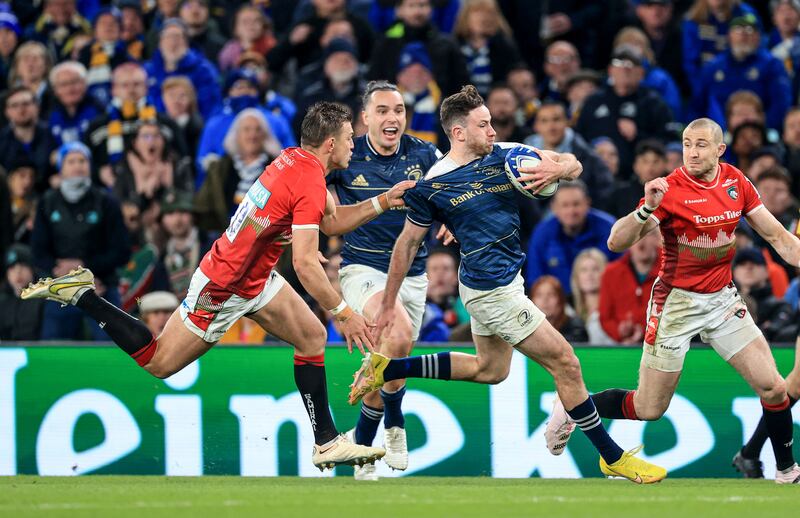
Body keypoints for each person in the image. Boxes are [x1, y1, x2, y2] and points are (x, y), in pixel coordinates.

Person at [22, 102, 411, 470]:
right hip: (224, 285)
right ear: (330, 143)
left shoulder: (294, 159)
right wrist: (343, 313)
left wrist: (383, 201)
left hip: (255, 277)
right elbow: (306, 265)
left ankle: (326, 442)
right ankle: (84, 295)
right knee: (159, 362)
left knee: (311, 336)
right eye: (349, 138)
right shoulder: (308, 178)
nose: (353, 144)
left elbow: (330, 221)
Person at [348, 85, 667, 484]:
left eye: (491, 123)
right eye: (484, 125)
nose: (493, 130)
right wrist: (388, 303)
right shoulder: (434, 184)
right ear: (459, 132)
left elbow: (573, 163)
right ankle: (612, 457)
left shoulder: (505, 155)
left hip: (502, 281)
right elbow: (407, 244)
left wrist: (558, 170)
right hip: (491, 290)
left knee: (490, 370)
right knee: (566, 362)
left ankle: (393, 367)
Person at [545, 118, 800, 484]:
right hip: (676, 304)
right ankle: (572, 407)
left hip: (722, 300)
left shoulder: (736, 182)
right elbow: (615, 242)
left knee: (774, 387)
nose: (691, 152)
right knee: (649, 408)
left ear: (720, 150)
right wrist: (645, 209)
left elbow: (778, 237)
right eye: (686, 144)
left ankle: (786, 470)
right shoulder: (670, 190)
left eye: (701, 144)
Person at [326, 81, 440, 481]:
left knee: (392, 354)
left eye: (399, 110)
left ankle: (361, 446)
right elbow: (315, 203)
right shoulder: (347, 156)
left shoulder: (425, 154)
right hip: (363, 270)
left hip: (413, 274)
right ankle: (395, 422)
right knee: (398, 333)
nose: (392, 118)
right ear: (365, 118)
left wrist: (454, 221)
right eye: (383, 111)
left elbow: (453, 192)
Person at [30, 142, 131, 341]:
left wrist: (84, 268)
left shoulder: (107, 202)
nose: (77, 166)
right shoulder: (47, 202)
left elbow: (121, 251)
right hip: (59, 288)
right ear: (61, 168)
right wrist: (63, 273)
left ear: (90, 166)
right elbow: (38, 251)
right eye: (71, 161)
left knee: (111, 349)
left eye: (82, 160)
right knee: (52, 349)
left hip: (100, 287)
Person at [525, 180, 618, 294]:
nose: (571, 211)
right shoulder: (542, 234)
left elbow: (622, 271)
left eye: (576, 204)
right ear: (554, 208)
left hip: (601, 297)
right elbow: (535, 281)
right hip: (560, 301)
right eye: (565, 205)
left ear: (587, 203)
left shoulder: (609, 229)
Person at [598, 227, 661, 344]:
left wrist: (647, 332)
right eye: (635, 236)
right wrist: (620, 331)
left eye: (647, 235)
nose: (641, 243)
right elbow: (605, 317)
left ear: (658, 239)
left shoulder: (672, 270)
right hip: (623, 345)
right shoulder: (611, 273)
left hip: (663, 344)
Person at [530, 275, 588, 343]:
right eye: (539, 295)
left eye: (551, 294)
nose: (545, 299)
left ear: (561, 300)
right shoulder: (525, 329)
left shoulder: (576, 327)